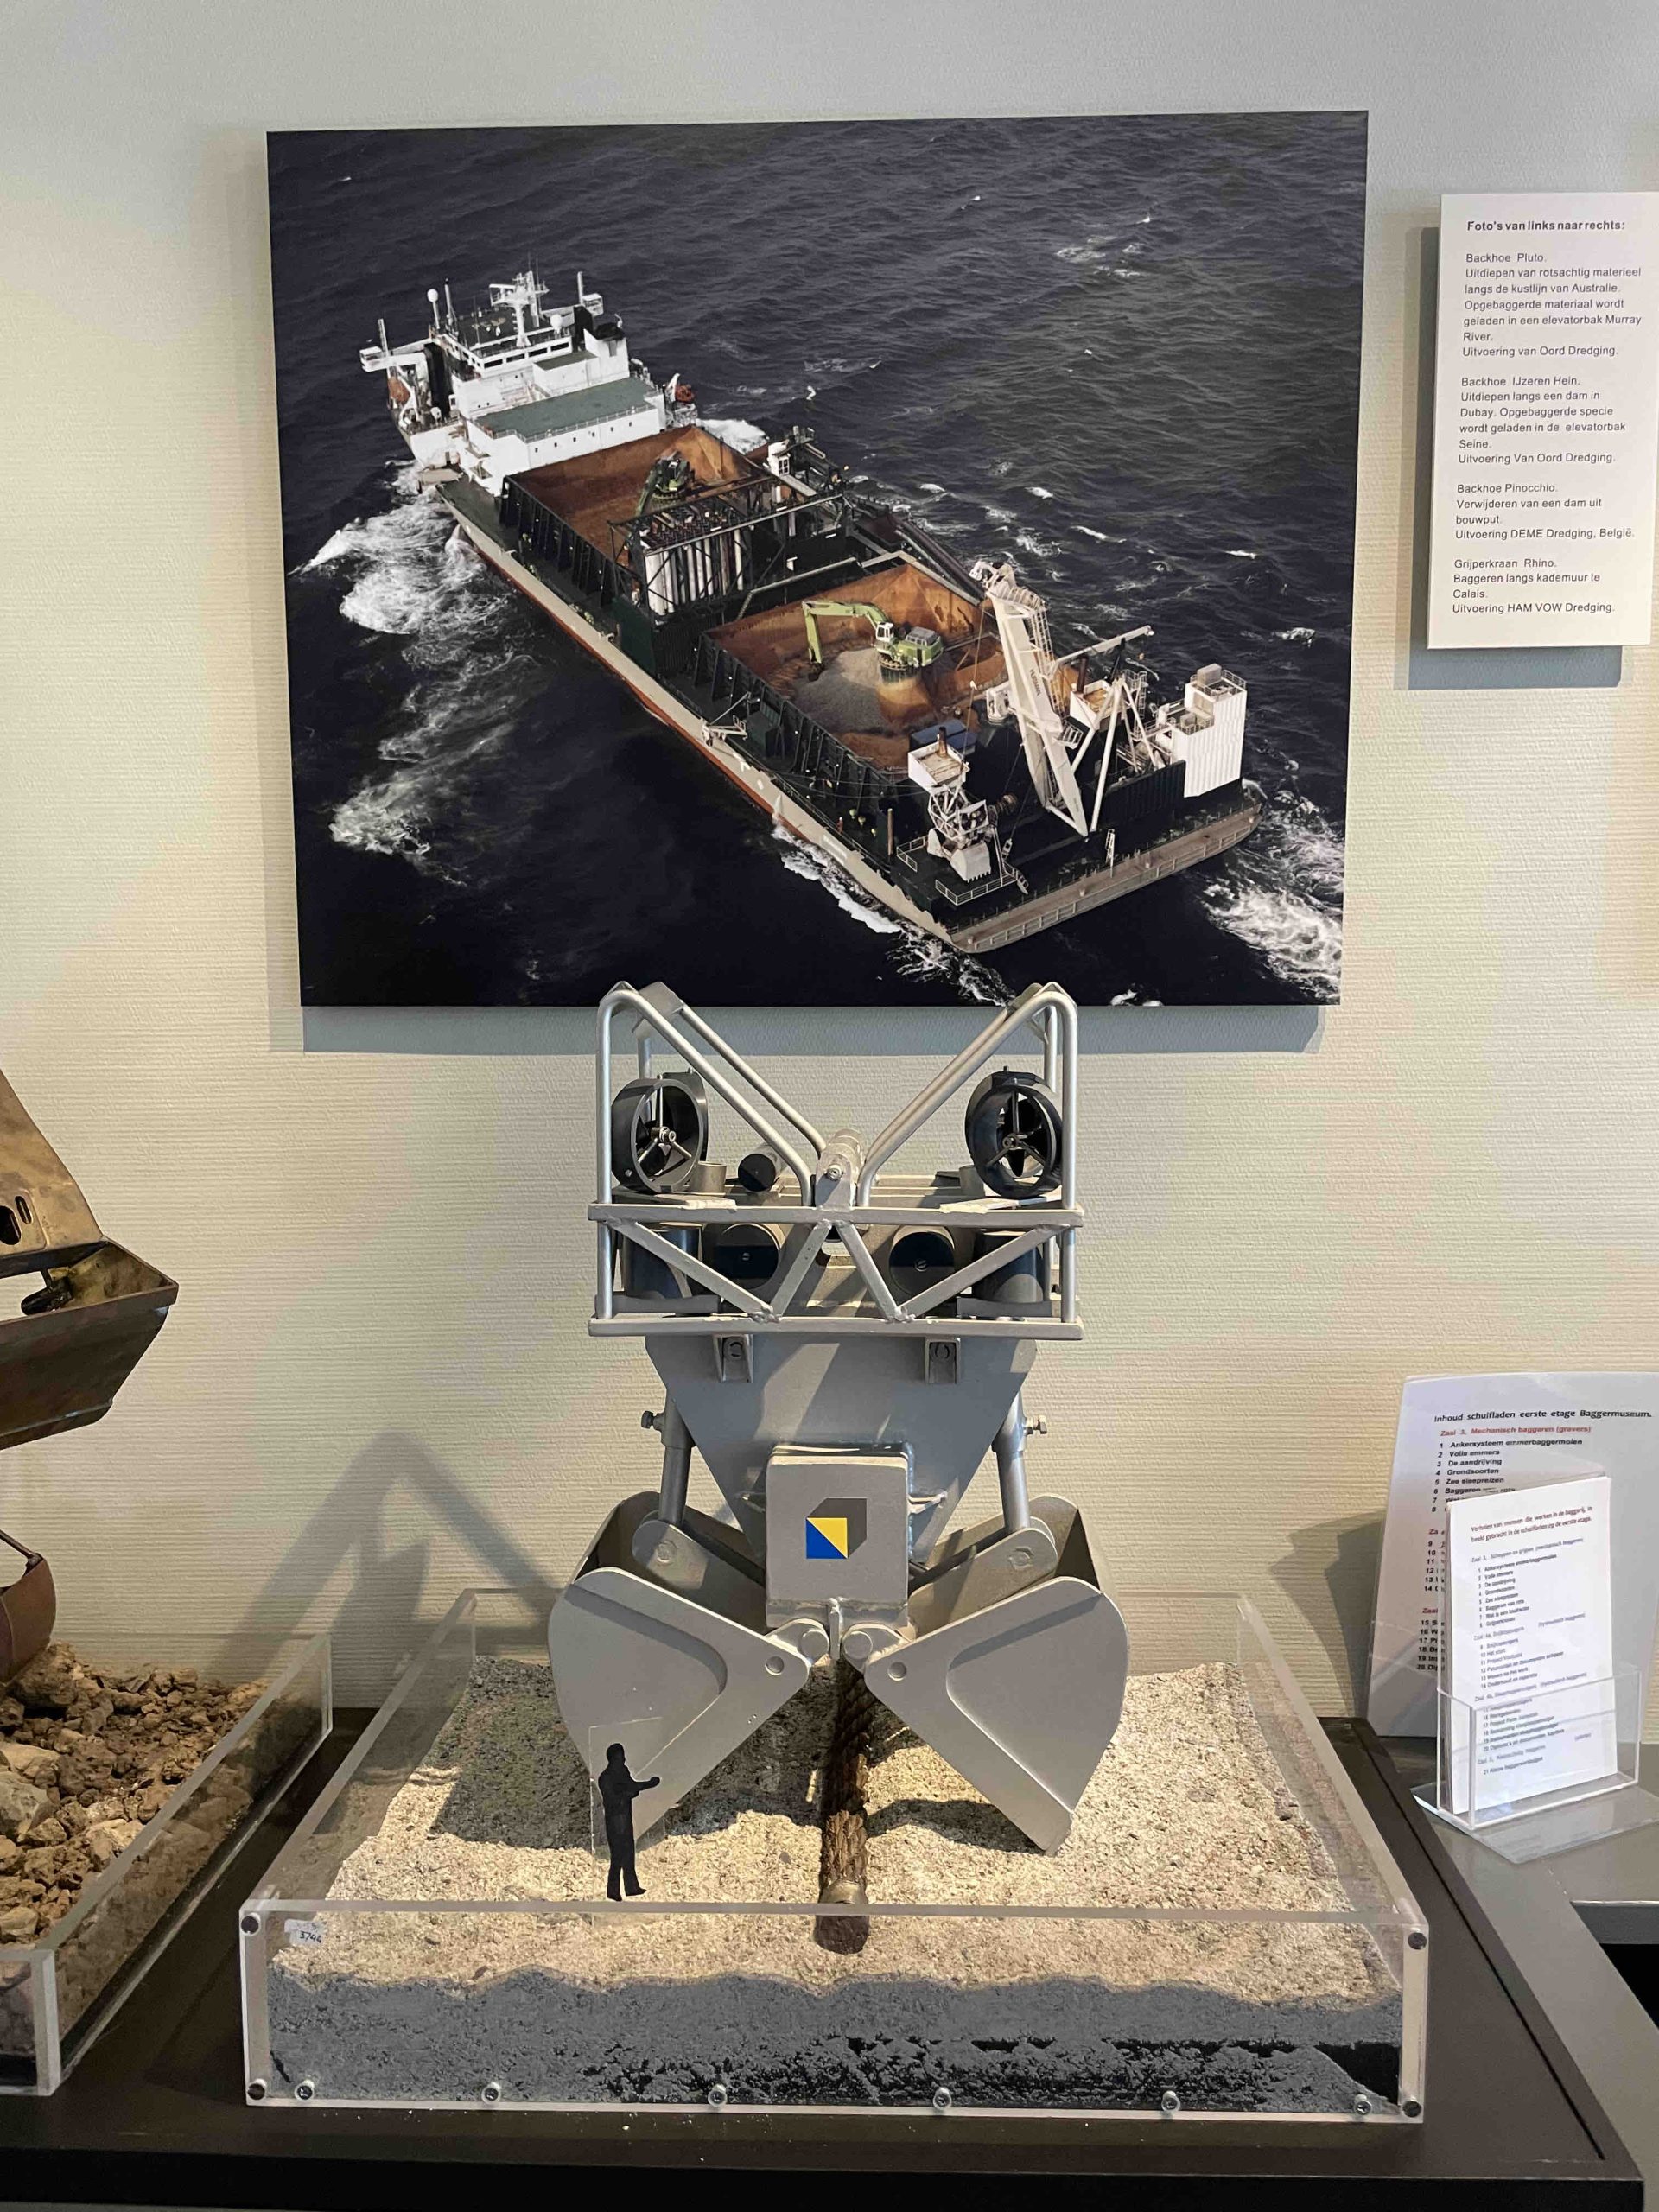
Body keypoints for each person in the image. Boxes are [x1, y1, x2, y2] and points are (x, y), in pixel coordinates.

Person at [597, 1741, 658, 1900]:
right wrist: (628, 1794)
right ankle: (613, 1892)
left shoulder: (622, 1772)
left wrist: (649, 1784)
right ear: (613, 1759)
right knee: (617, 1856)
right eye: (620, 1757)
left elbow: (632, 1785)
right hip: (615, 1821)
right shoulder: (605, 1778)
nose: (623, 1760)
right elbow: (611, 1799)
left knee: (629, 1853)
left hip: (625, 1818)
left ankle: (631, 1887)